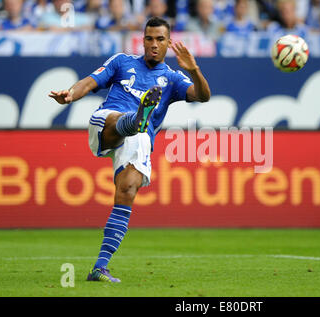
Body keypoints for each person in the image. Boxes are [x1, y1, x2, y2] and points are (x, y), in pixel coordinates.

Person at [48, 16, 211, 283]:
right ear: (142, 40)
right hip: (108, 121)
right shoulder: (122, 61)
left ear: (169, 43)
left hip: (140, 139)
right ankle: (132, 120)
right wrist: (70, 94)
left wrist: (193, 69)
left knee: (128, 190)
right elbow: (90, 82)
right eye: (149, 38)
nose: (154, 44)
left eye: (160, 39)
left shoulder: (172, 78)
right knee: (119, 120)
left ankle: (100, 268)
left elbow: (203, 96)